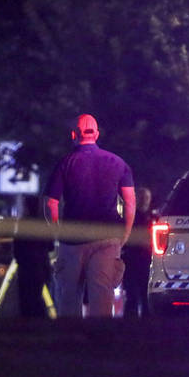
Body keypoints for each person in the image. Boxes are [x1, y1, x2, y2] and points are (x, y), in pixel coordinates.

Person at [44, 113, 135, 318]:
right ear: (97, 134)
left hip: (73, 240)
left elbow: (51, 203)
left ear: (73, 135)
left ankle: (71, 343)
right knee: (102, 297)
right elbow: (129, 201)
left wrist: (58, 231)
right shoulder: (118, 163)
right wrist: (125, 234)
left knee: (68, 299)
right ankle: (100, 344)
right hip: (108, 238)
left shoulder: (65, 163)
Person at [13, 195, 53, 318]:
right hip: (41, 263)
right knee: (37, 294)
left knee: (25, 296)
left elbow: (17, 244)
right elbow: (50, 246)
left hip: (26, 264)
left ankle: (26, 323)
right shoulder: (44, 223)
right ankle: (40, 321)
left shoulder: (23, 223)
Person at [122, 186, 153, 317]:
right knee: (134, 296)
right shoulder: (133, 218)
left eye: (146, 198)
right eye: (142, 198)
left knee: (141, 297)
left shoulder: (150, 218)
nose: (144, 201)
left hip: (142, 262)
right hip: (133, 261)